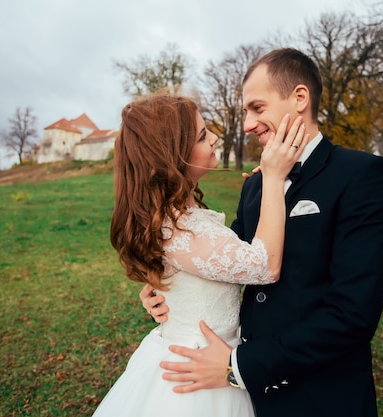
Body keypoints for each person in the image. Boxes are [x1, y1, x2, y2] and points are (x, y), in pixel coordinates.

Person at [141, 48, 383, 416]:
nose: (246, 124)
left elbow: (353, 314)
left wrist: (238, 366)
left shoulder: (359, 174)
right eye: (246, 111)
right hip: (251, 401)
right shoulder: (256, 186)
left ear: (299, 98)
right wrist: (169, 291)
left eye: (257, 108)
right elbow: (231, 266)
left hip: (321, 396)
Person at [91, 94, 308, 417]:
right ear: (173, 155)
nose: (215, 138)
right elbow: (264, 265)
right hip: (198, 375)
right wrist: (275, 179)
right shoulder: (182, 228)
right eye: (203, 136)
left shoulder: (181, 217)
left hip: (208, 356)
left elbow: (219, 257)